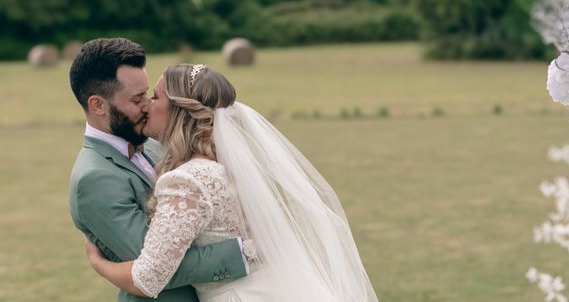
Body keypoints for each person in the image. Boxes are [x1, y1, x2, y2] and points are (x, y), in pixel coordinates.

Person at [85, 63, 378, 302]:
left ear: (180, 111)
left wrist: (99, 264)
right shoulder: (229, 166)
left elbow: (149, 278)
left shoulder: (187, 180)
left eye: (156, 97)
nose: (147, 105)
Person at [68, 39, 249, 302]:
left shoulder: (156, 142)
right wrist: (243, 253)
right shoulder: (93, 179)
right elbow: (159, 266)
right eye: (137, 98)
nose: (148, 106)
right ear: (97, 105)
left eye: (148, 94)